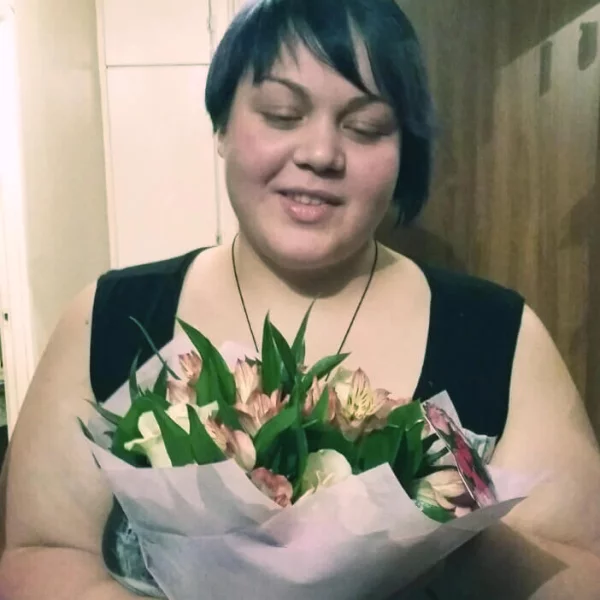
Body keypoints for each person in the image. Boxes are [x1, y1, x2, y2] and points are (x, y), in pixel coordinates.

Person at [1, 0, 600, 597]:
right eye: (282, 114)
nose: (320, 154)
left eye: (366, 127)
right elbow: (39, 553)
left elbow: (583, 571)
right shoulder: (110, 318)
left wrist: (454, 534)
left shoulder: (497, 336)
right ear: (222, 126)